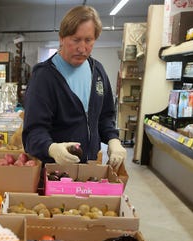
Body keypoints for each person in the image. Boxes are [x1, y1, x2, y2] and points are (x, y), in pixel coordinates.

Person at [22, 5, 127, 170]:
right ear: (62, 38)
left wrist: (113, 140)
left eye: (88, 40)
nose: (82, 48)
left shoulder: (97, 71)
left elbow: (105, 116)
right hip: (54, 172)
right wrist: (52, 149)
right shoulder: (44, 77)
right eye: (76, 40)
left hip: (89, 168)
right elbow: (33, 132)